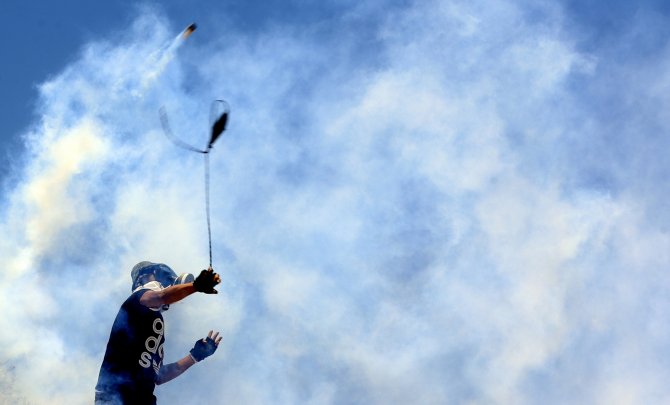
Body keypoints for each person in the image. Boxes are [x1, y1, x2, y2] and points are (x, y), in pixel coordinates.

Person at [95, 261, 223, 404]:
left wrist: (195, 356)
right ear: (143, 278)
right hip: (116, 396)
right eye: (158, 276)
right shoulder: (137, 299)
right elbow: (161, 296)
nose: (163, 282)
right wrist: (196, 286)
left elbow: (159, 375)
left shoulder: (153, 322)